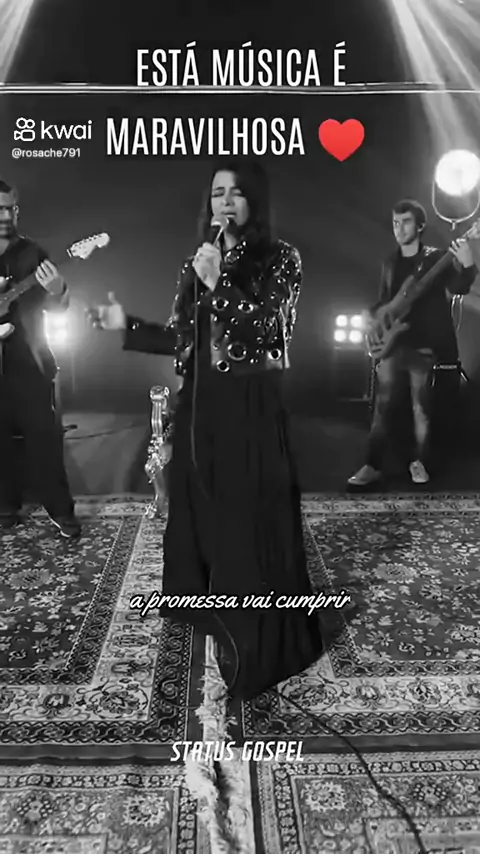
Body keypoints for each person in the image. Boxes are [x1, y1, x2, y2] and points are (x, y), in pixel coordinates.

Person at [89, 159, 323, 700]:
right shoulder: (198, 260)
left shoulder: (281, 258)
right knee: (201, 509)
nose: (225, 202)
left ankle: (256, 638)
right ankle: (204, 606)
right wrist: (127, 326)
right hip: (201, 405)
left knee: (245, 518)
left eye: (236, 193)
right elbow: (182, 338)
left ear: (254, 201)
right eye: (218, 193)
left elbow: (271, 331)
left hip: (250, 406)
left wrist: (220, 283)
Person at [348, 198, 477, 489]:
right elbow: (385, 301)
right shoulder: (390, 263)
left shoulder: (435, 259)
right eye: (395, 222)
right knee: (382, 406)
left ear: (420, 226)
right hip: (393, 344)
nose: (399, 228)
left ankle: (421, 462)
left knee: (422, 410)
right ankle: (372, 464)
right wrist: (370, 316)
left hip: (424, 345)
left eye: (405, 222)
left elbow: (458, 287)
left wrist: (468, 264)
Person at [0, 180, 81, 537]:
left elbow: (59, 306)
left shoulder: (33, 254)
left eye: (10, 208)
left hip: (30, 364)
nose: (5, 216)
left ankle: (62, 512)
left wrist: (58, 289)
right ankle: (5, 507)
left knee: (44, 441)